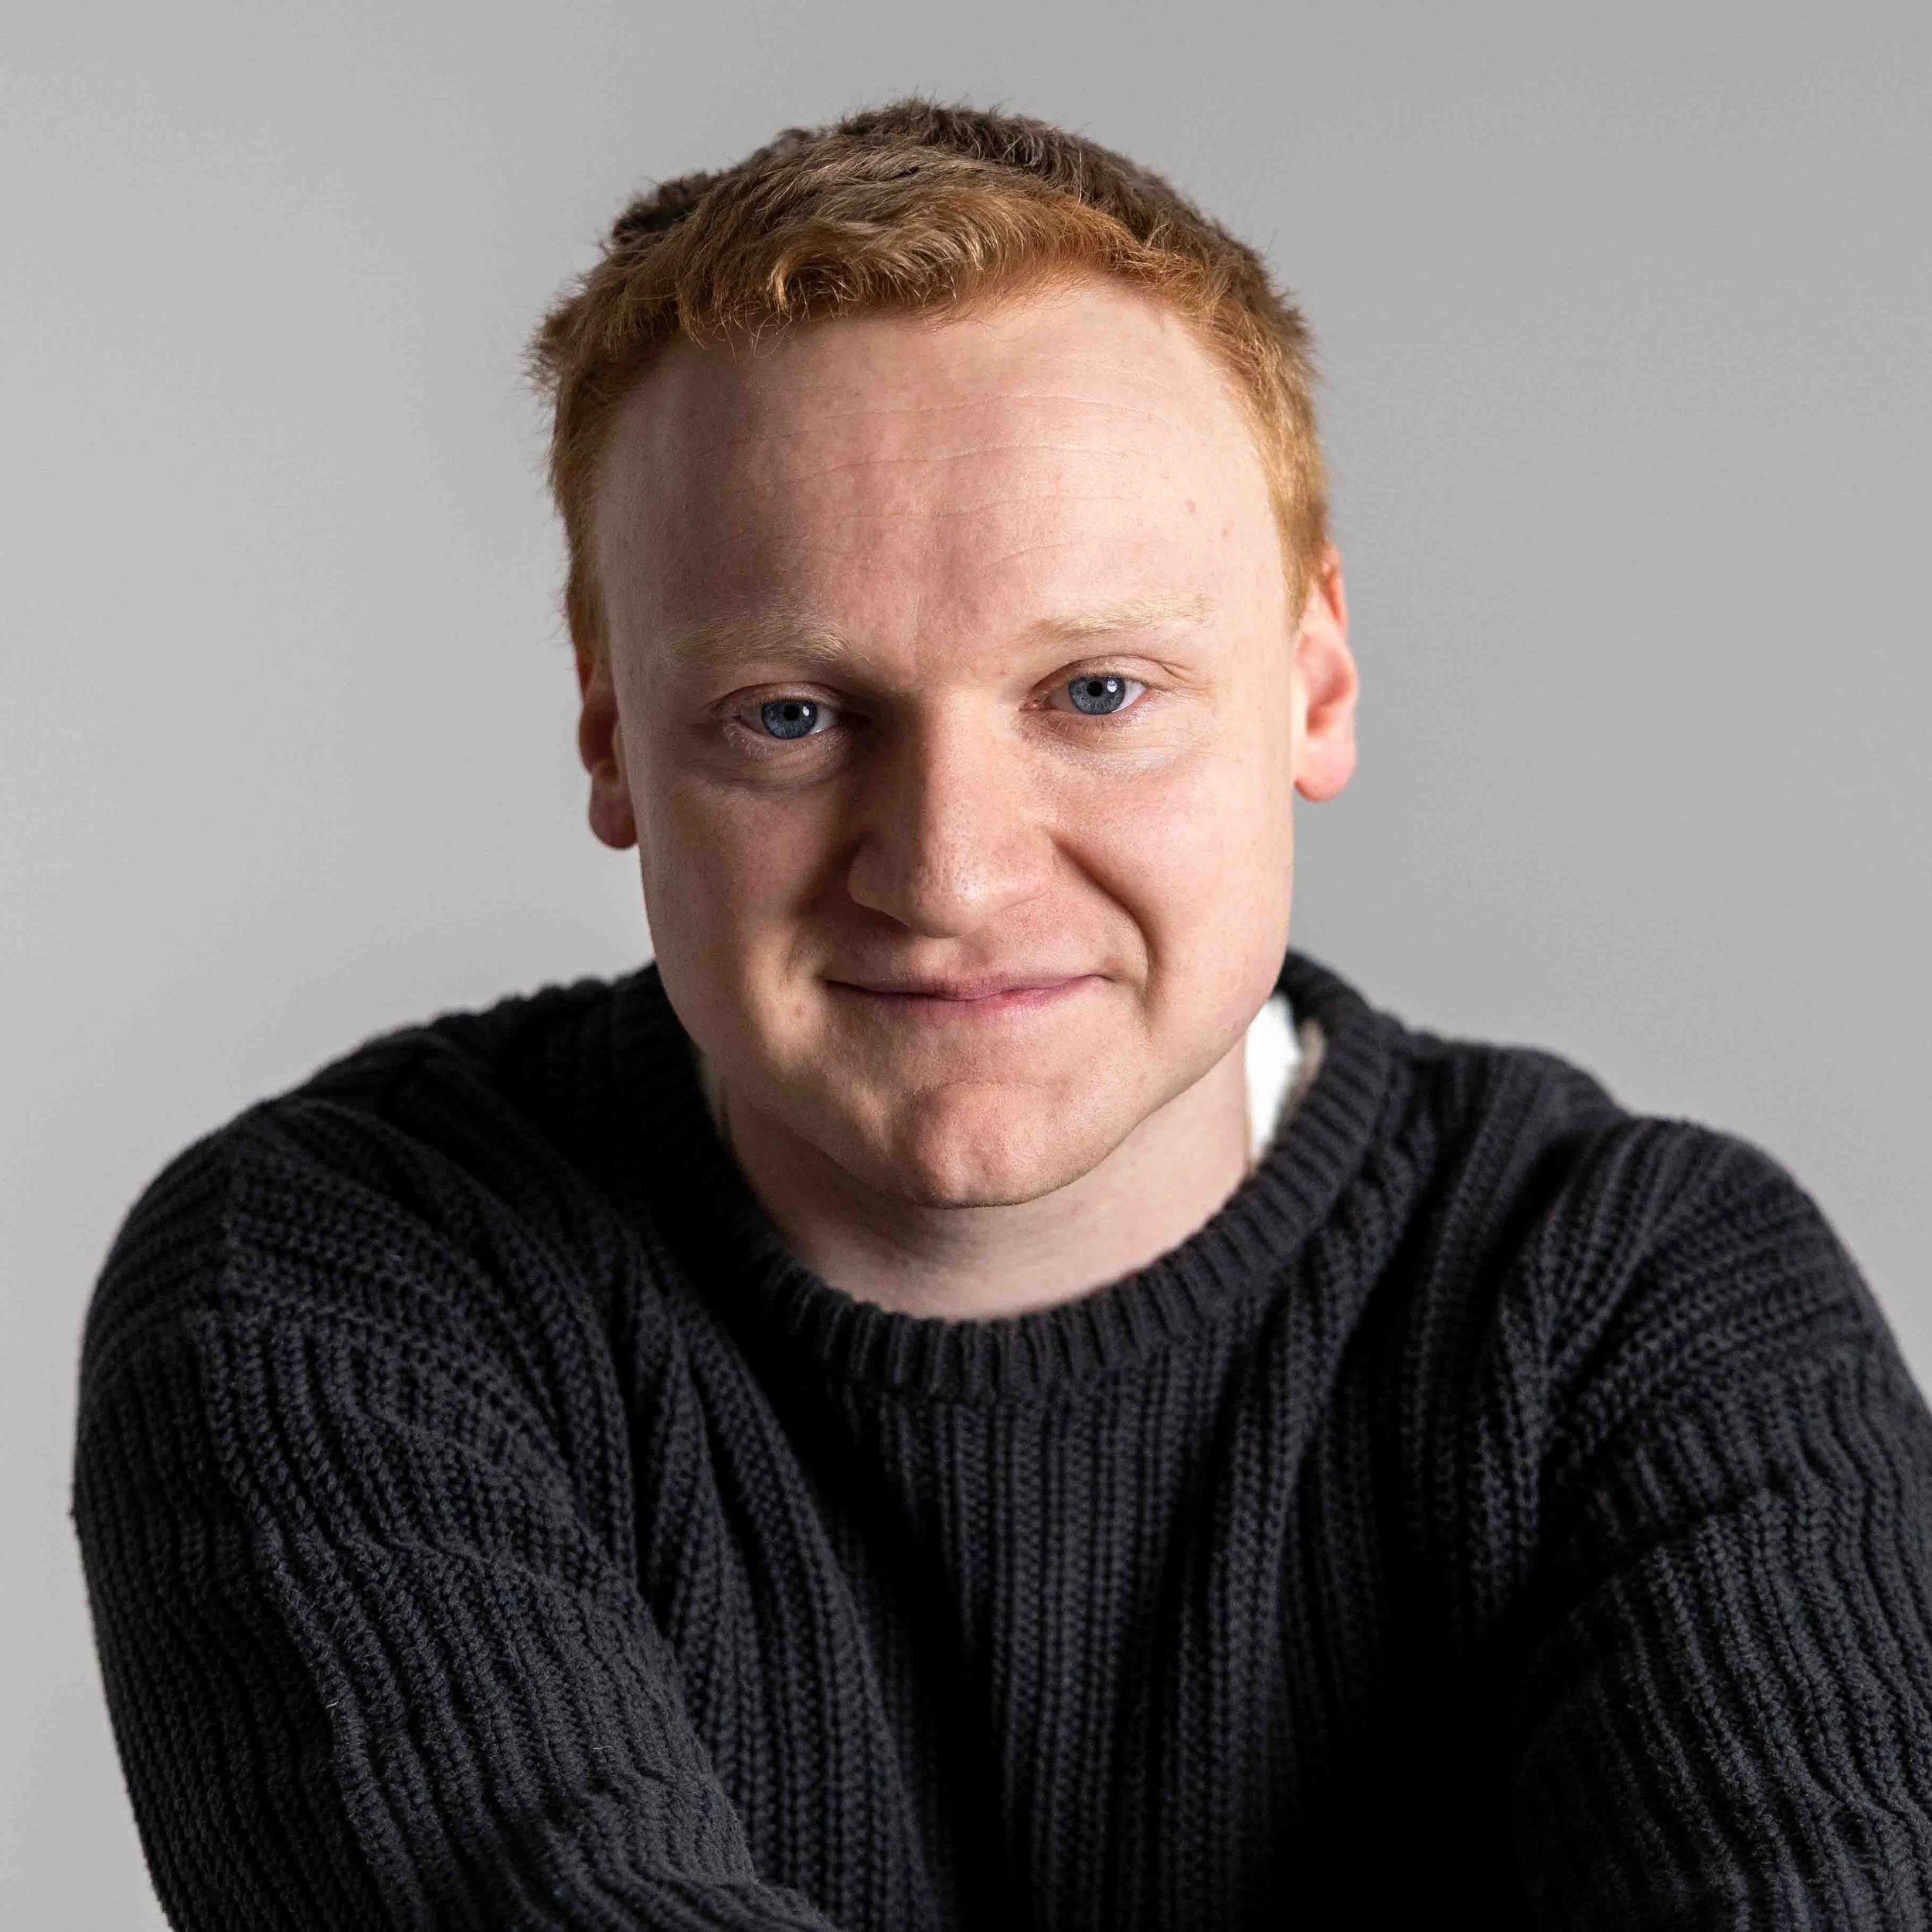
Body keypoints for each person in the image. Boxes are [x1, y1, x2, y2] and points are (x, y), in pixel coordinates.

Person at [72, 100, 1932, 1930]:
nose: (949, 873)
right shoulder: (338, 1284)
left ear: (1314, 677)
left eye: (1096, 690)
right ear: (608, 732)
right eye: (791, 714)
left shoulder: (1632, 1294)